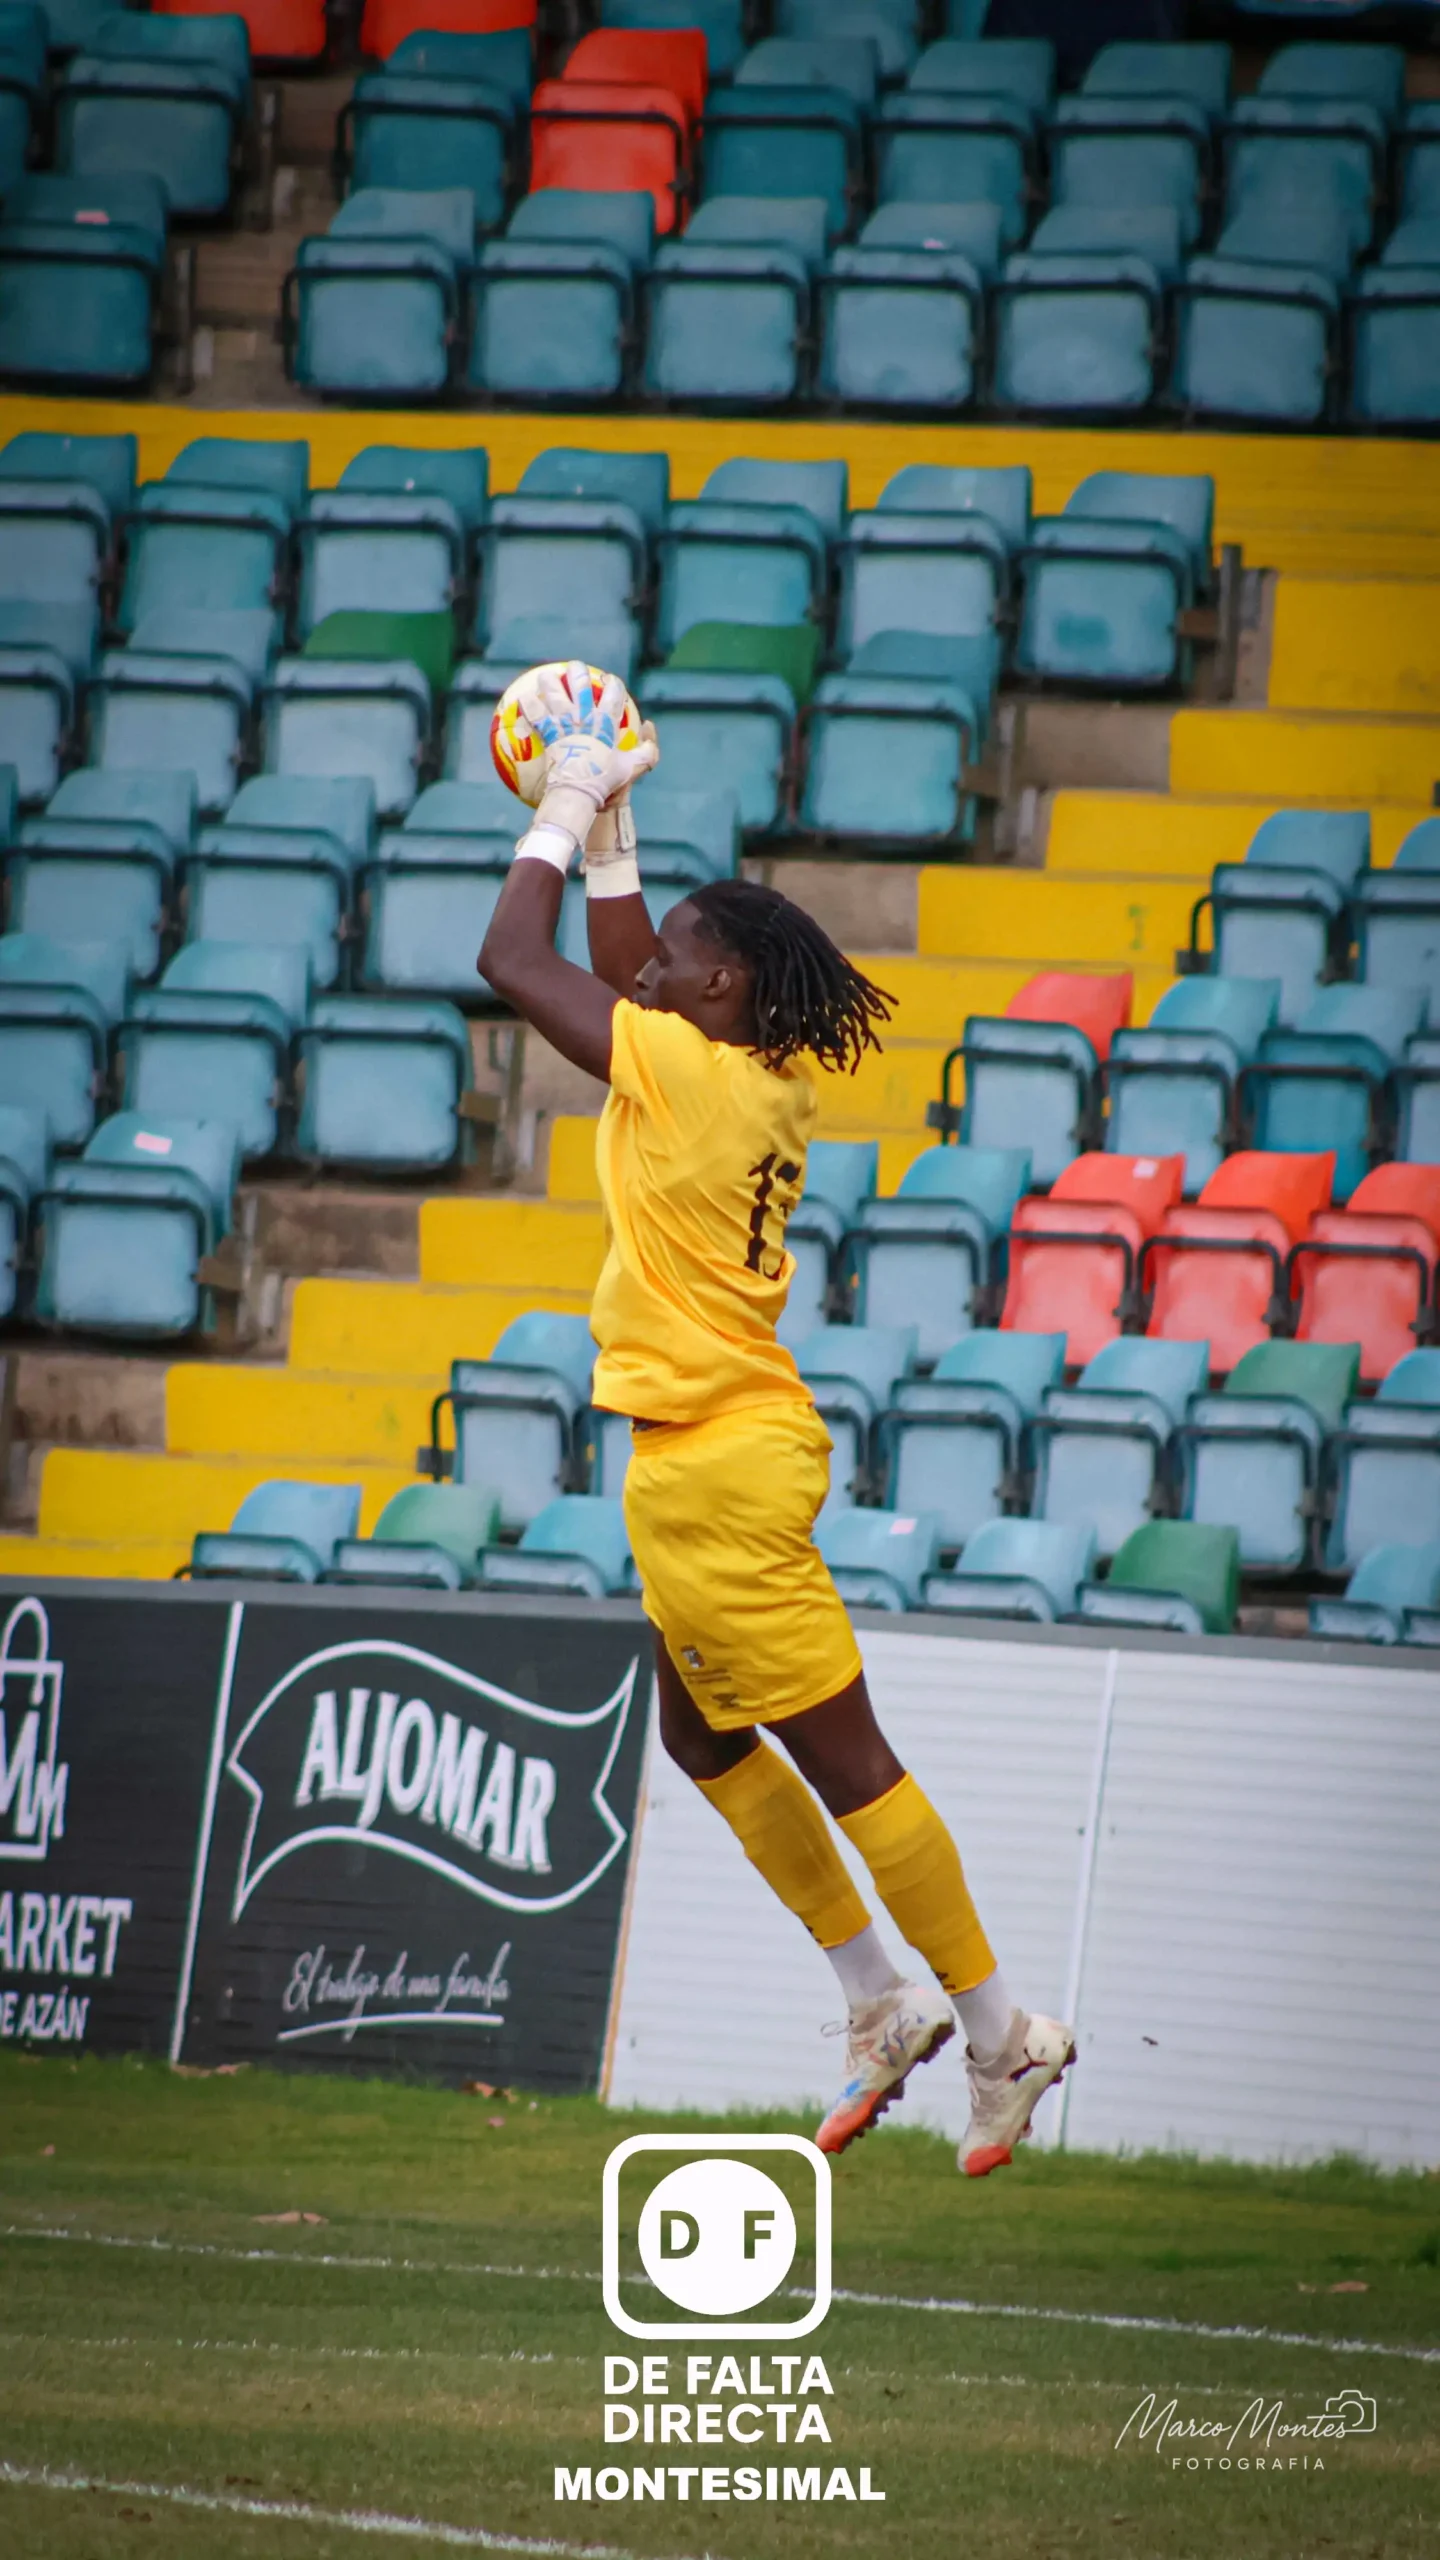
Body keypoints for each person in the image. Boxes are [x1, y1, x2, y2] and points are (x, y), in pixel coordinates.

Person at [478, 664, 1074, 2174]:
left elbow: (512, 957)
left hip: (718, 1473)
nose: (652, 965)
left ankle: (1000, 2033)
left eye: (680, 951)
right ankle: (879, 1999)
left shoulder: (680, 1069)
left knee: (843, 1753)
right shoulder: (752, 1071)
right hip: (723, 1451)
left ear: (721, 988)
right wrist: (619, 820)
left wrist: (559, 807)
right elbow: (627, 965)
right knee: (699, 1731)